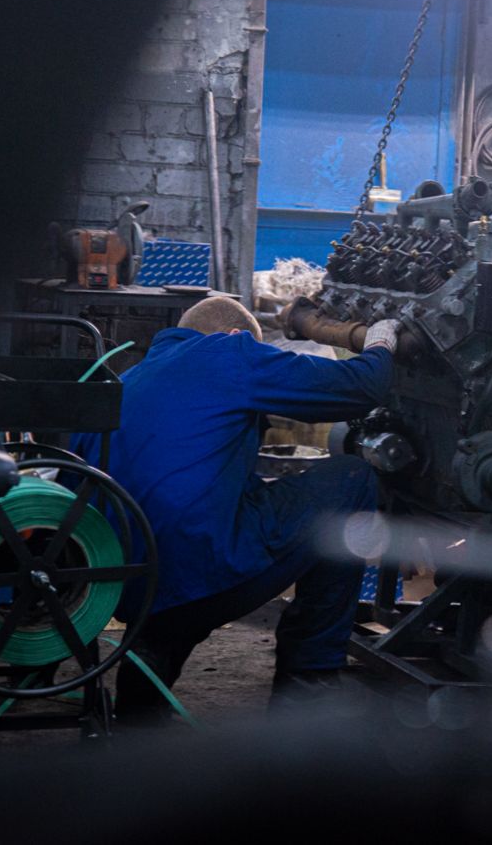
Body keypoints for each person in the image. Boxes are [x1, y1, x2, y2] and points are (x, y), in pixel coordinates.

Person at [71, 295, 399, 721]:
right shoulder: (227, 352)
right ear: (235, 334)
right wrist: (380, 342)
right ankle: (309, 680)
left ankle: (148, 678)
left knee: (195, 518)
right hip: (199, 572)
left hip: (127, 589)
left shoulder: (129, 379)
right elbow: (361, 387)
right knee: (350, 479)